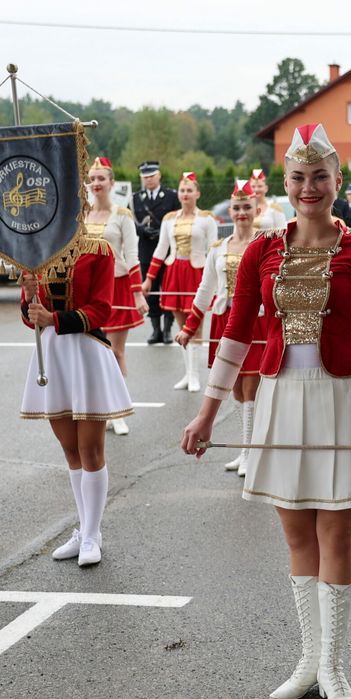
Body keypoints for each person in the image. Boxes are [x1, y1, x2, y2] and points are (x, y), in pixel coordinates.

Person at [180, 122, 351, 699]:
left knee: (338, 535)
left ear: (337, 181)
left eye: (319, 177)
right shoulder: (261, 251)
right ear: (286, 183)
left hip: (339, 397)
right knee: (297, 535)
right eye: (298, 178)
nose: (308, 187)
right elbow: (236, 335)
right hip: (279, 400)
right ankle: (307, 659)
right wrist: (206, 413)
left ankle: (335, 665)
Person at [20, 237, 132, 566]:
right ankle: (85, 530)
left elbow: (101, 309)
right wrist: (29, 299)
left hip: (86, 352)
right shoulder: (37, 251)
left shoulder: (99, 249)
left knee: (91, 448)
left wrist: (53, 320)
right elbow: (30, 318)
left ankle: (93, 534)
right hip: (52, 355)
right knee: (70, 449)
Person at [176, 178, 266, 475]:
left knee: (252, 389)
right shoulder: (219, 247)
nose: (241, 213)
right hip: (225, 320)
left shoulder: (266, 243)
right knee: (237, 390)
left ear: (256, 208)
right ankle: (246, 451)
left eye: (246, 207)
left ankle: (253, 455)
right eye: (237, 207)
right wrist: (190, 327)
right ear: (231, 210)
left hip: (256, 321)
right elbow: (205, 289)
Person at [141, 172, 219, 392]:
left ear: (197, 193)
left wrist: (217, 280)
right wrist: (148, 279)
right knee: (180, 325)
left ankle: (195, 376)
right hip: (174, 272)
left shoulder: (207, 218)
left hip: (197, 273)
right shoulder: (169, 219)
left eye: (189, 190)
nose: (185, 194)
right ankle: (187, 374)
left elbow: (214, 250)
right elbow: (161, 249)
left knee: (196, 324)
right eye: (182, 190)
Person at [86, 157, 144, 436]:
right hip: (87, 290)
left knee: (115, 351)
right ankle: (102, 408)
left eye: (101, 179)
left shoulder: (122, 215)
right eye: (92, 179)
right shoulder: (81, 214)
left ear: (111, 183)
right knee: (95, 352)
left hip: (116, 285)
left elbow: (131, 256)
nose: (96, 183)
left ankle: (119, 411)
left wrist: (138, 294)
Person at [132, 161, 181, 345]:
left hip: (167, 251)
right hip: (146, 250)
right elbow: (131, 224)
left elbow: (178, 220)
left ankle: (168, 329)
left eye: (152, 176)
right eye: (145, 177)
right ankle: (155, 329)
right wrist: (142, 231)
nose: (149, 180)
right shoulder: (135, 198)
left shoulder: (170, 196)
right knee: (150, 291)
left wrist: (163, 232)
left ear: (159, 175)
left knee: (167, 289)